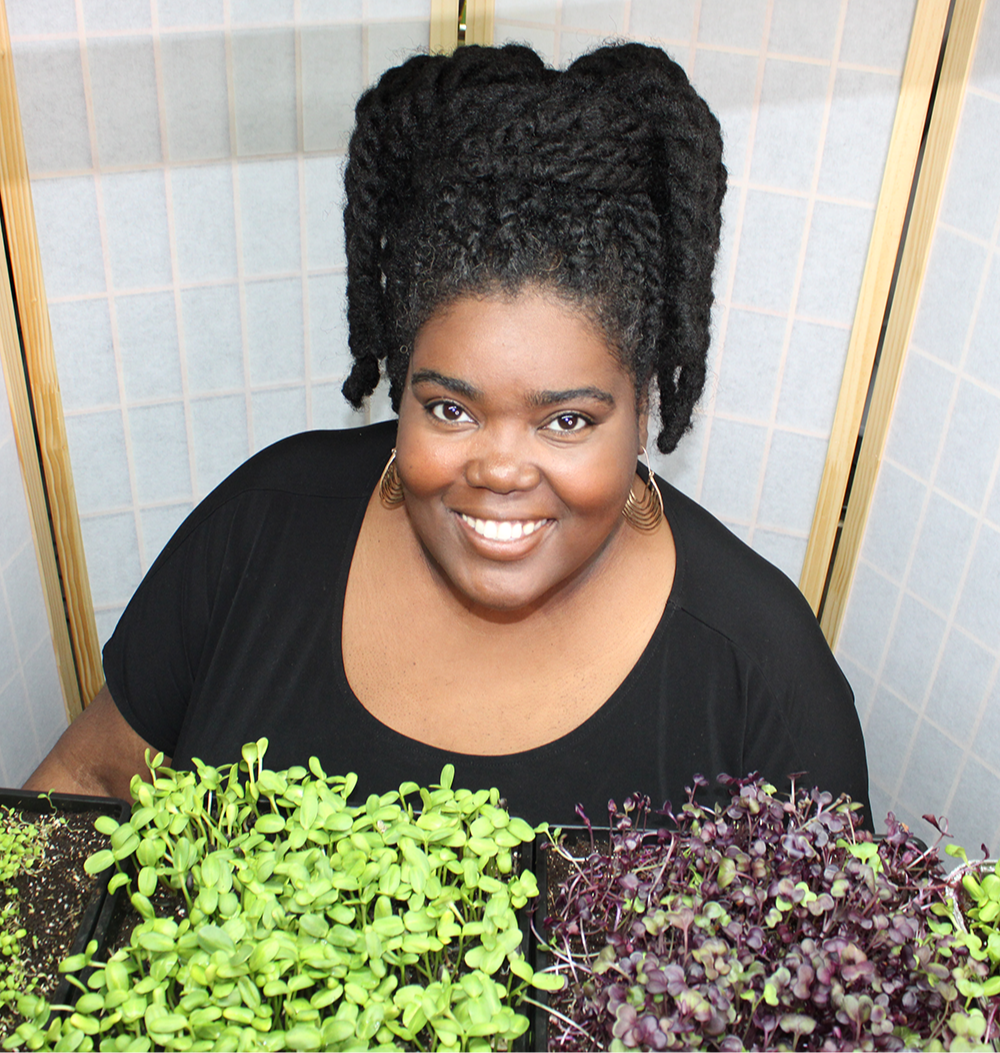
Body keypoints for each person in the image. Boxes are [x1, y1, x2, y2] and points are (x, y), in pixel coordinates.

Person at [25, 42, 870, 827]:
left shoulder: (765, 680)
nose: (500, 467)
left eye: (567, 419)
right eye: (450, 409)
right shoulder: (263, 527)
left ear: (642, 407)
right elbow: (91, 779)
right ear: (402, 381)